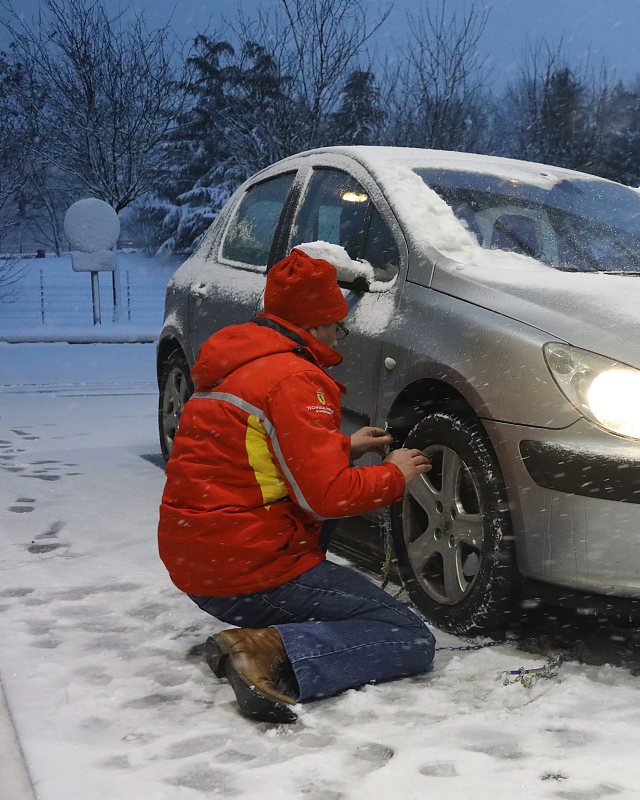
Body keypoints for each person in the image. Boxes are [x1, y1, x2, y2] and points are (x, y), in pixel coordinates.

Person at [158, 247, 435, 724]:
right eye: (336, 325)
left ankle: (265, 630)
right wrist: (395, 473)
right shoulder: (295, 379)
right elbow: (326, 498)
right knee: (406, 636)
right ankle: (266, 651)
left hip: (201, 558)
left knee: (312, 528)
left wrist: (343, 449)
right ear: (319, 324)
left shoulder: (241, 366)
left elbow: (252, 459)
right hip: (243, 570)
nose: (337, 335)